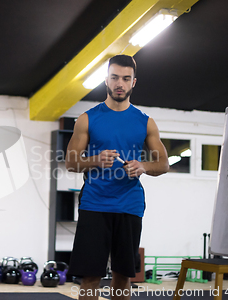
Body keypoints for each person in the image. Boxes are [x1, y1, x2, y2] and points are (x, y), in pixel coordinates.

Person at [65, 55, 169, 300]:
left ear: (134, 82)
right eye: (114, 78)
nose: (119, 83)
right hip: (95, 204)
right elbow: (71, 162)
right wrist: (95, 160)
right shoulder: (87, 118)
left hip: (129, 205)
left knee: (123, 277)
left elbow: (163, 164)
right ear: (106, 80)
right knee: (90, 277)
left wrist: (143, 166)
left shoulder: (146, 122)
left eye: (125, 78)